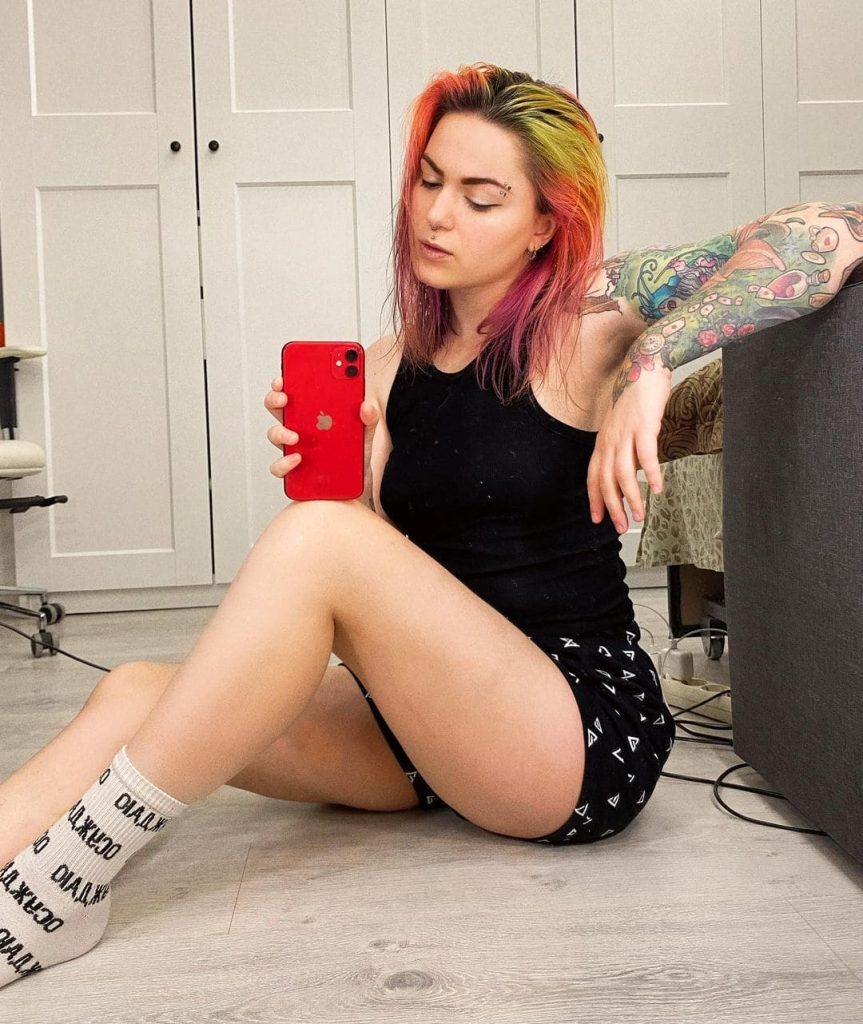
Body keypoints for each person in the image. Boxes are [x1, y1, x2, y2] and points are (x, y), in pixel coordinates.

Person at [2, 62, 861, 990]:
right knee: (133, 689)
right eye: (428, 181)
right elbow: (390, 595)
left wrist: (655, 360)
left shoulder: (588, 319)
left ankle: (64, 884)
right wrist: (350, 490)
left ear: (542, 225)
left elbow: (830, 230)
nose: (437, 215)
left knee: (318, 542)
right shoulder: (384, 366)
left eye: (481, 198)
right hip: (437, 732)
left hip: (573, 732)